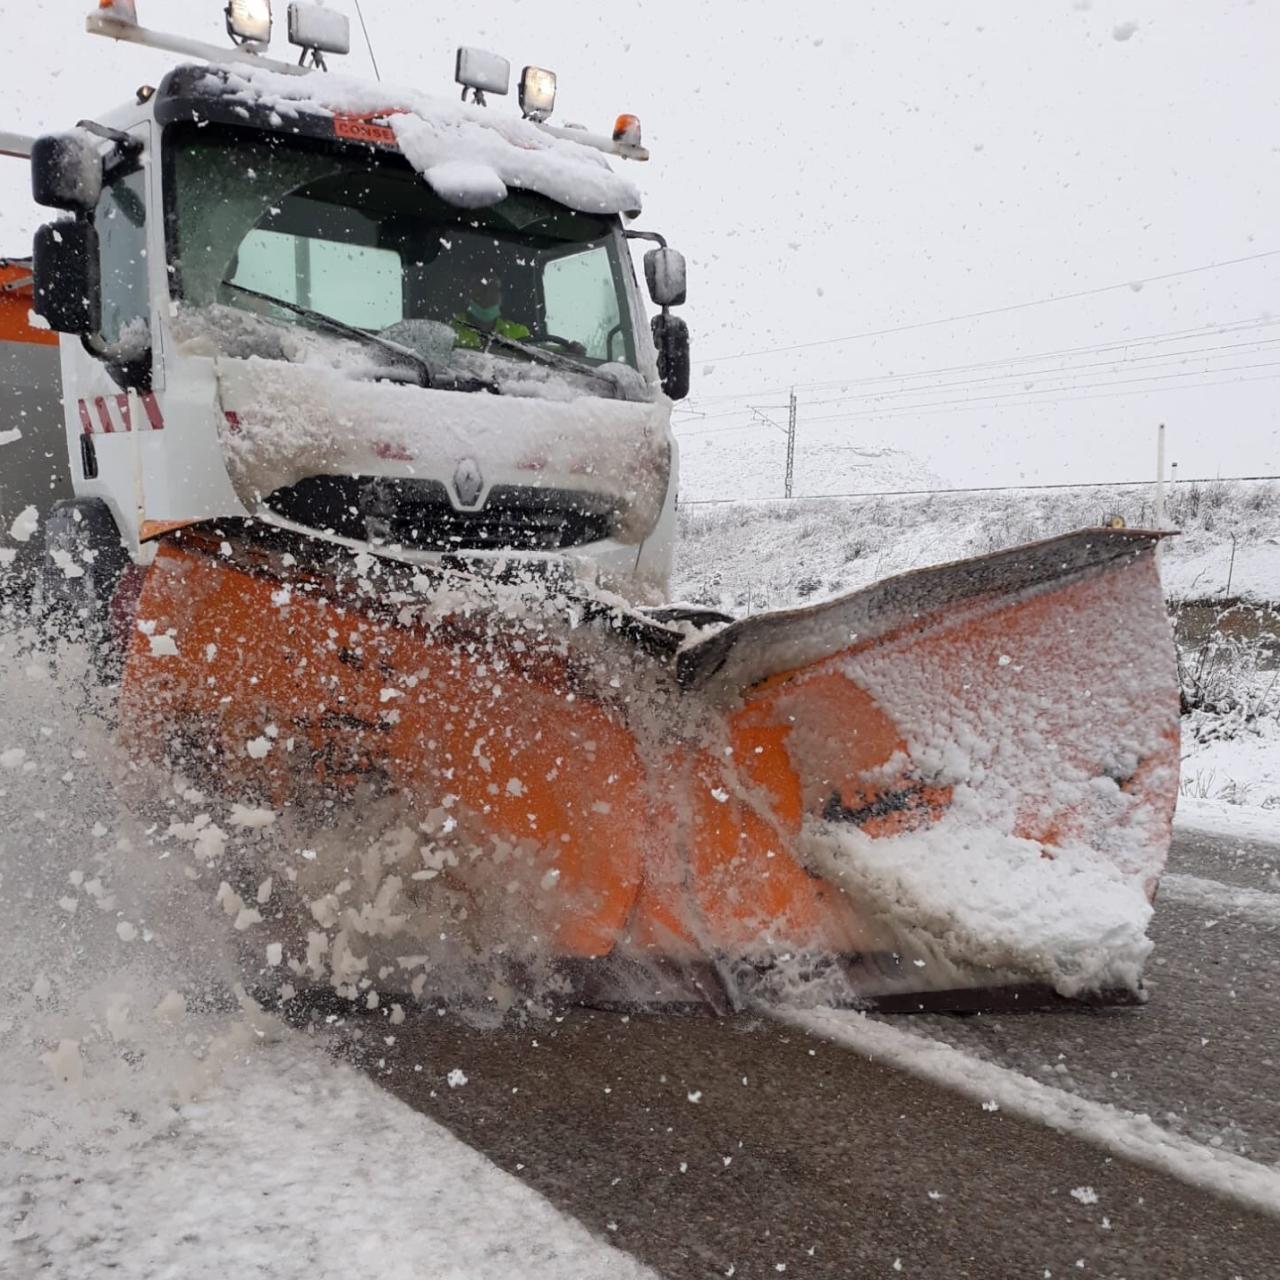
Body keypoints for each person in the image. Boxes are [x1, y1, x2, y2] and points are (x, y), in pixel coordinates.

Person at [451, 276, 529, 349]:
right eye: (481, 289)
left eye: (493, 288)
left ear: (501, 297)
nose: (487, 295)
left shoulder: (520, 333)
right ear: (467, 295)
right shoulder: (450, 331)